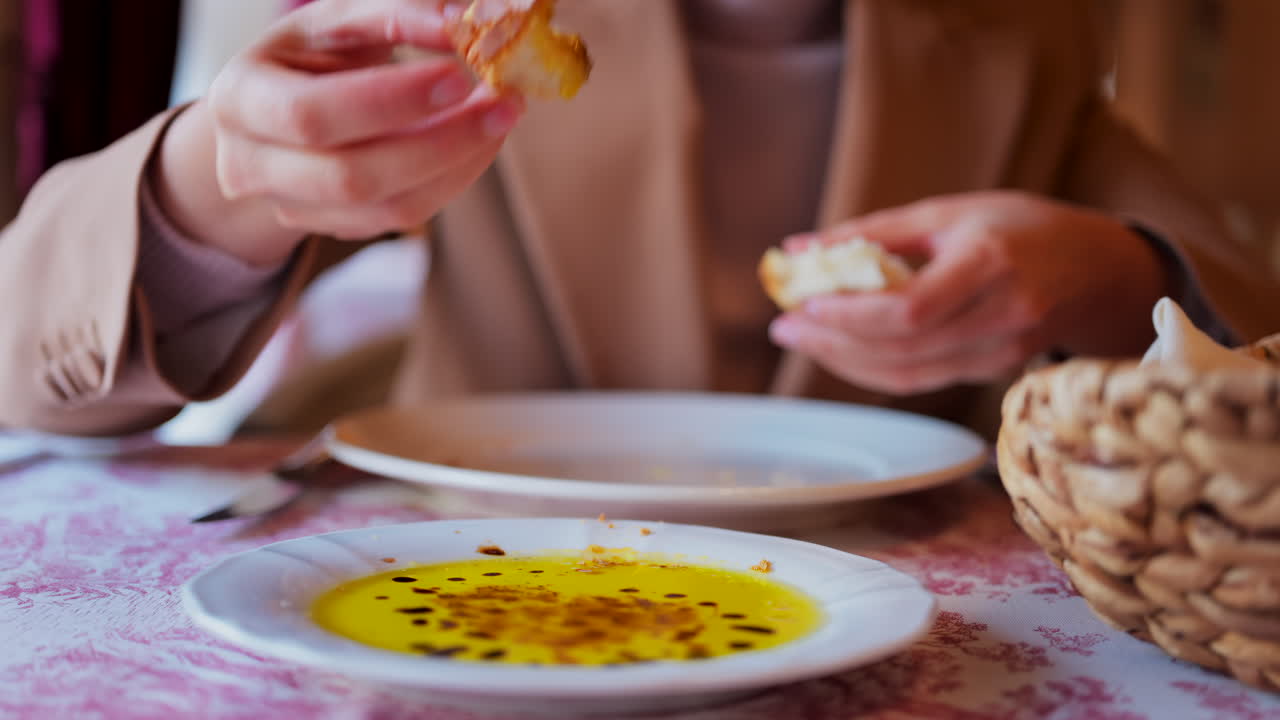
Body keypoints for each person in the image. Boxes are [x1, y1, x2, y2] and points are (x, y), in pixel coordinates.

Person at [1, 0, 1277, 440]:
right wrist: (225, 182)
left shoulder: (1027, 28)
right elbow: (22, 360)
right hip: (478, 593)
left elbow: (1237, 306)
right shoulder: (471, 15)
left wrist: (1102, 276)